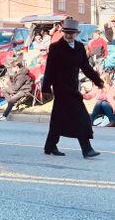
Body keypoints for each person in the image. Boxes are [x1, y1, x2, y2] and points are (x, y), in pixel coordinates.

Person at [42, 18, 103, 158]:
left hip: (73, 85)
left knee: (58, 117)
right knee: (81, 117)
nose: (69, 35)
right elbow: (49, 69)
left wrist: (97, 81)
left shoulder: (80, 47)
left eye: (72, 33)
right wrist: (46, 88)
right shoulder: (55, 47)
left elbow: (86, 67)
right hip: (61, 87)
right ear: (63, 32)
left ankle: (50, 146)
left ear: (76, 33)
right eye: (67, 32)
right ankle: (86, 148)